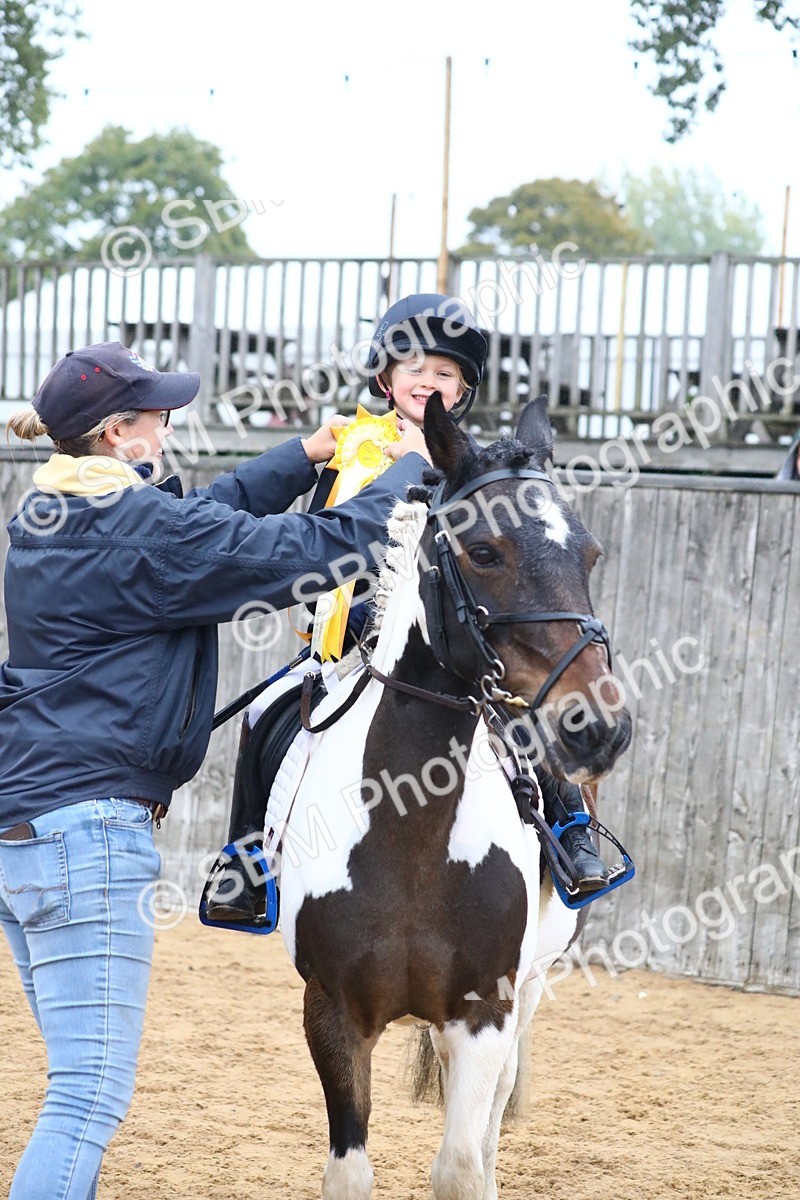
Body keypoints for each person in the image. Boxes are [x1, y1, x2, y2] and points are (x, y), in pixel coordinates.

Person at [0, 340, 430, 1200]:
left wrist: (305, 453)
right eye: (158, 412)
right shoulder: (133, 530)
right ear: (121, 434)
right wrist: (407, 470)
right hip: (90, 834)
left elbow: (209, 518)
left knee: (74, 1082)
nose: (170, 421)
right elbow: (314, 548)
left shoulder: (45, 515)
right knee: (87, 1097)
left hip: (29, 831)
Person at [205, 295, 608, 925]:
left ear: (464, 390)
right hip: (350, 641)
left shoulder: (472, 464)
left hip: (449, 650)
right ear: (384, 378)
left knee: (524, 720)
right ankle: (246, 861)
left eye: (446, 373)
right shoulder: (350, 447)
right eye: (414, 366)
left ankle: (574, 831)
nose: (429, 381)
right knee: (262, 710)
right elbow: (324, 534)